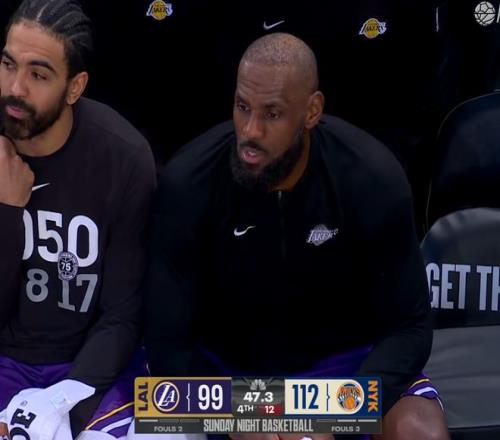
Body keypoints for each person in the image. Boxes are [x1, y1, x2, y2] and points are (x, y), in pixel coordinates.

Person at [145, 33, 450, 440]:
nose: (250, 132)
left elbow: (411, 328)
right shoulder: (189, 183)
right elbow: (166, 342)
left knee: (419, 430)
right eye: (242, 107)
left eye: (272, 114)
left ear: (311, 111)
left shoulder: (371, 176)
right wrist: (241, 415)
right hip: (227, 376)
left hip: (343, 370)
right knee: (153, 413)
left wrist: (335, 413)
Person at [0, 1, 156, 439]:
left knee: (178, 424)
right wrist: (7, 212)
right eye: (8, 65)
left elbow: (123, 313)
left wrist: (66, 404)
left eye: (38, 74)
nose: (15, 88)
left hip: (89, 363)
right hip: (6, 359)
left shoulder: (123, 157)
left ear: (75, 87)